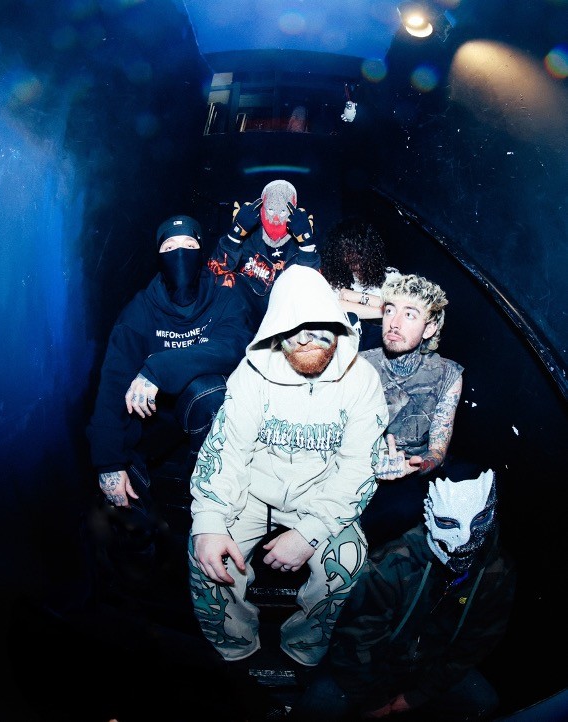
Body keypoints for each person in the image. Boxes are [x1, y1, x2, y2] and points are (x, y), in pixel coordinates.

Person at [187, 264, 390, 669]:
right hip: (252, 494)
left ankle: (304, 646)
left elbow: (359, 469)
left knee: (348, 560)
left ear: (338, 325)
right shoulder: (253, 375)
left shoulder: (361, 380)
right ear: (277, 331)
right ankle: (235, 646)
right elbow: (226, 450)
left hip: (321, 496)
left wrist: (310, 532)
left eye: (320, 329)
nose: (308, 340)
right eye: (296, 330)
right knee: (205, 555)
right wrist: (208, 520)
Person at [289, 458, 517, 722]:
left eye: (479, 520)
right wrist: (373, 701)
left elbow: (476, 644)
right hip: (367, 670)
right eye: (449, 524)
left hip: (428, 670)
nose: (464, 537)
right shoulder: (391, 565)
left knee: (483, 702)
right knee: (317, 711)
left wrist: (418, 695)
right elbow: (356, 642)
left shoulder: (497, 572)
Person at [88, 214, 258, 513]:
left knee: (208, 391)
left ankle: (208, 490)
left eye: (189, 245)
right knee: (121, 508)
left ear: (201, 252)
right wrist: (108, 463)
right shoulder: (140, 310)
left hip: (210, 417)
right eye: (169, 248)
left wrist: (157, 368)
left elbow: (232, 347)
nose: (179, 254)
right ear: (158, 257)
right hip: (154, 422)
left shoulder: (224, 299)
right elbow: (113, 384)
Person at [361, 272, 463, 546]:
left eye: (409, 314)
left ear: (429, 329)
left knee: (404, 506)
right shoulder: (360, 365)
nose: (394, 323)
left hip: (408, 477)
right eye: (390, 310)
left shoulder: (447, 375)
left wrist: (417, 465)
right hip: (358, 466)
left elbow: (437, 450)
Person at [207, 178, 320, 324]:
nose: (276, 217)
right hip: (247, 320)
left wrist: (307, 245)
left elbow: (314, 286)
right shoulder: (247, 240)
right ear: (262, 208)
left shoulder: (298, 245)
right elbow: (213, 273)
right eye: (271, 210)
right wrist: (235, 235)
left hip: (290, 320)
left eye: (283, 211)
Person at [321, 217, 401, 351]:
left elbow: (402, 307)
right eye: (346, 252)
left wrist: (358, 297)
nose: (352, 258)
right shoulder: (337, 279)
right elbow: (335, 306)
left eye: (358, 252)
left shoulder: (391, 277)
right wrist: (386, 311)